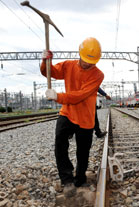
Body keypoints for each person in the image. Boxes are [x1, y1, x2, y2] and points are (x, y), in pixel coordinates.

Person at [41, 37, 104, 197]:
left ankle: (80, 178)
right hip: (67, 113)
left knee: (83, 152)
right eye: (85, 60)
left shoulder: (98, 75)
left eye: (92, 62)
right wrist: (45, 61)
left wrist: (57, 96)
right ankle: (66, 179)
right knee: (60, 144)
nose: (88, 64)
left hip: (85, 118)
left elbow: (79, 95)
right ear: (80, 54)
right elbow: (49, 72)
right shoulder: (68, 65)